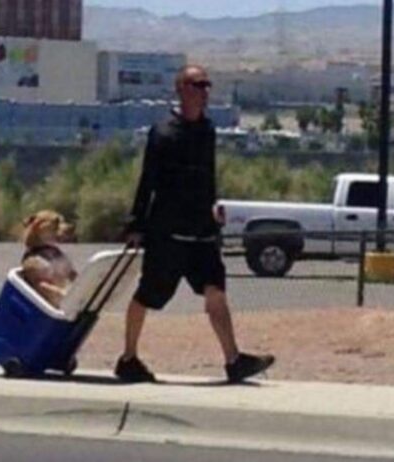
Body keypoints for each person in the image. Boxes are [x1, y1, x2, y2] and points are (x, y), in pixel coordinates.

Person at [114, 64, 275, 383]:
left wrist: (213, 208)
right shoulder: (162, 133)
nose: (205, 91)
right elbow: (148, 181)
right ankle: (128, 358)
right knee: (148, 295)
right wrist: (136, 224)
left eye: (206, 85)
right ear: (182, 89)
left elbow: (208, 176)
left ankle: (233, 360)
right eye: (198, 85)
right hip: (168, 233)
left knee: (215, 289)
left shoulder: (208, 131)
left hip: (201, 231)